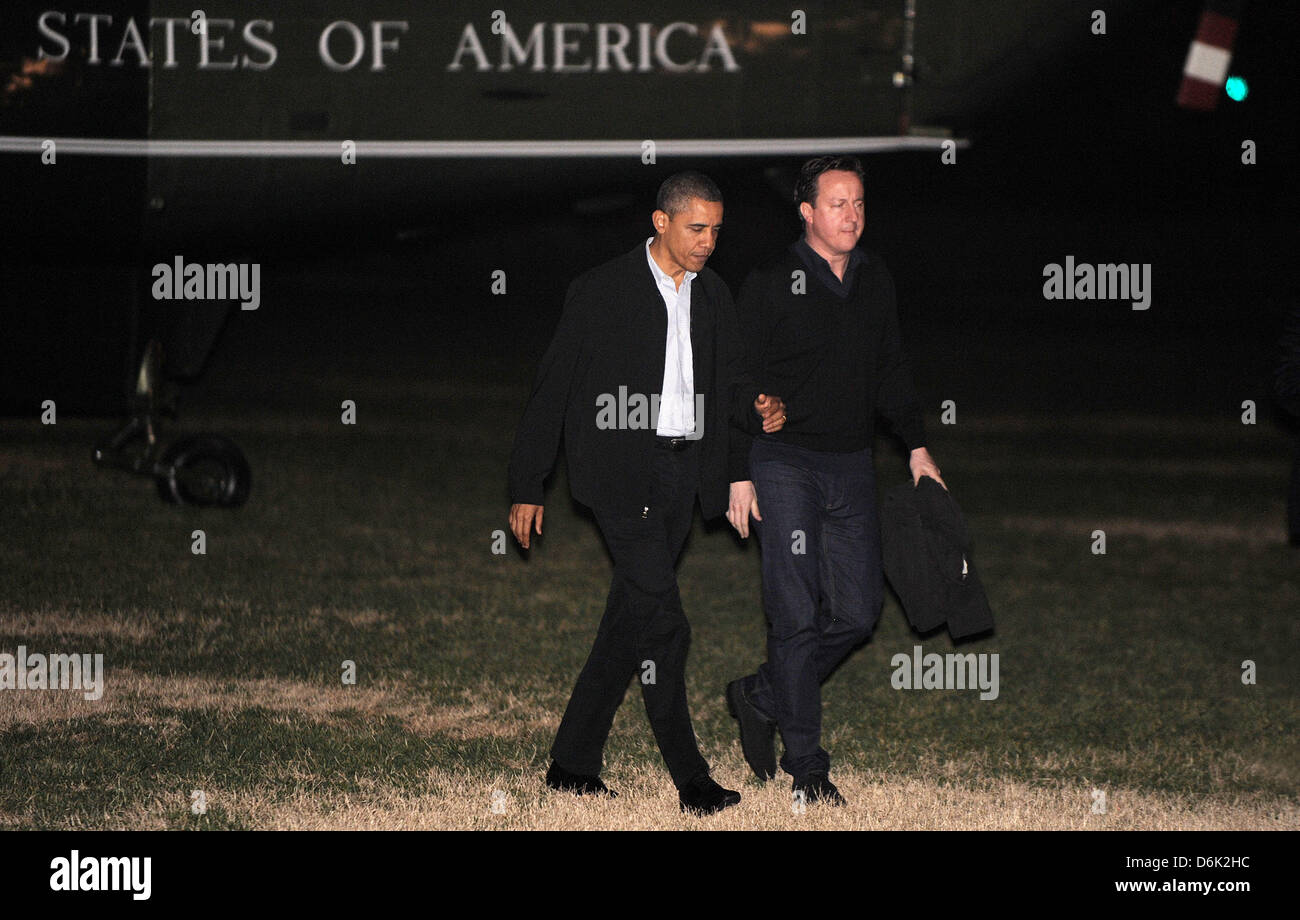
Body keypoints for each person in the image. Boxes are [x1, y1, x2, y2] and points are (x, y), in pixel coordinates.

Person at [508, 171, 786, 816]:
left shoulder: (714, 294)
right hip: (620, 475)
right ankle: (692, 781)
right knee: (667, 626)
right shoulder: (601, 290)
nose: (709, 242)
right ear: (661, 223)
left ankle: (571, 766)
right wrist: (528, 483)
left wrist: (757, 406)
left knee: (627, 624)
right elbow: (551, 390)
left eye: (717, 230)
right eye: (697, 228)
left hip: (681, 476)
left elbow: (732, 380)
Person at [725, 156, 943, 806]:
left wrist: (917, 445)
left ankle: (759, 695)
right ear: (807, 213)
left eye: (859, 203)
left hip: (851, 463)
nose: (852, 215)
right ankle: (809, 772)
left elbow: (892, 367)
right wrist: (739, 469)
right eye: (838, 203)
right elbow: (736, 379)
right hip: (783, 460)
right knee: (795, 615)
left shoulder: (875, 280)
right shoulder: (769, 283)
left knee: (857, 612)